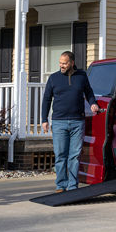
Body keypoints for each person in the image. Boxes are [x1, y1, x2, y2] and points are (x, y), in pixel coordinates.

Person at [40, 50, 100, 192]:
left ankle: (73, 186)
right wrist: (44, 119)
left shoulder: (82, 76)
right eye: (60, 63)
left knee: (75, 155)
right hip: (59, 122)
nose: (61, 65)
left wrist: (93, 103)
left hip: (77, 122)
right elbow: (46, 99)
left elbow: (89, 92)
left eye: (64, 63)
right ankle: (61, 185)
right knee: (61, 155)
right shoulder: (54, 78)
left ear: (72, 63)